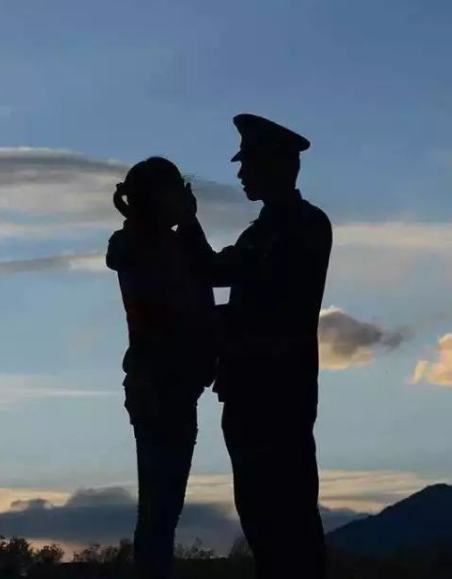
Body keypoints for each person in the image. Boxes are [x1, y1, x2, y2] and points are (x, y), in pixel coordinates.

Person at [178, 114, 332, 579]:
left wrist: (187, 223)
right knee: (261, 515)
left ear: (275, 166)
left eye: (249, 164)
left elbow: (234, 281)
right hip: (251, 387)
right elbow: (228, 280)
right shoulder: (265, 231)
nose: (242, 174)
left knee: (287, 515)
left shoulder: (301, 226)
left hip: (277, 389)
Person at [106, 157, 217, 579]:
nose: (185, 197)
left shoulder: (144, 244)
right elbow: (203, 281)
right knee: (160, 511)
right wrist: (189, 223)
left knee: (160, 510)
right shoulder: (154, 247)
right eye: (177, 191)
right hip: (163, 389)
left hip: (162, 387)